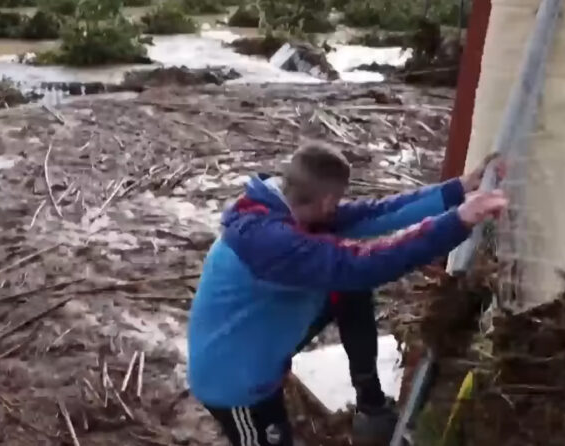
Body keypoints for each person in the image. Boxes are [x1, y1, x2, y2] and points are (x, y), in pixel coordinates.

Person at [187, 143, 507, 446]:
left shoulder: (282, 210)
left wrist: (458, 189)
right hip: (234, 384)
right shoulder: (272, 244)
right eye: (337, 202)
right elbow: (366, 264)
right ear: (327, 201)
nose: (338, 208)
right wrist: (460, 221)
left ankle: (369, 401)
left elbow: (376, 214)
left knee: (349, 291)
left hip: (259, 340)